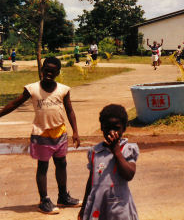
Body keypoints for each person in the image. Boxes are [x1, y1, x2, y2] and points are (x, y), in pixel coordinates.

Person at [0, 57, 81, 214]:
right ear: (42, 70)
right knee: (43, 166)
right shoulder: (32, 89)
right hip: (41, 133)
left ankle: (63, 196)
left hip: (60, 132)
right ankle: (44, 200)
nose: (49, 73)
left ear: (58, 72)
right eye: (46, 69)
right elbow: (15, 103)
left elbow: (70, 110)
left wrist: (76, 132)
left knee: (62, 163)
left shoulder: (63, 90)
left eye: (53, 71)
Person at [78, 104, 139, 220]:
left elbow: (129, 174)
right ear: (101, 127)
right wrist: (84, 207)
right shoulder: (95, 151)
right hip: (98, 205)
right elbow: (91, 181)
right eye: (107, 128)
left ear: (124, 128)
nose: (111, 132)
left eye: (116, 128)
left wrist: (116, 151)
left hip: (120, 207)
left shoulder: (127, 149)